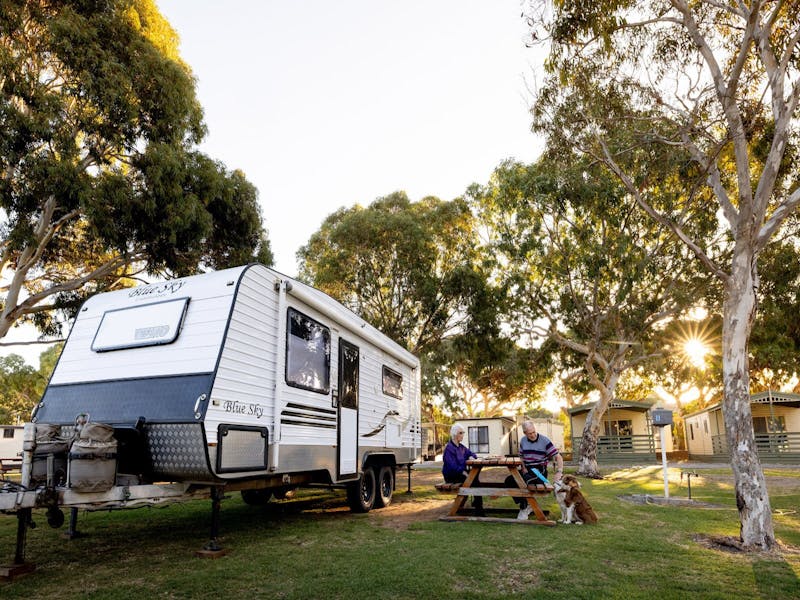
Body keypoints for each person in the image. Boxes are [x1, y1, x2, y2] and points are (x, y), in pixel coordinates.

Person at [516, 420, 563, 520]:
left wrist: (559, 471)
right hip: (527, 470)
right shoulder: (523, 441)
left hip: (540, 471)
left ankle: (524, 508)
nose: (533, 435)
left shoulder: (544, 440)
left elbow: (558, 457)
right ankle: (528, 505)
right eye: (530, 433)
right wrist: (523, 467)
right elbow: (521, 457)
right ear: (525, 433)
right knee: (510, 480)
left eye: (534, 432)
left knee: (524, 481)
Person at [442, 423, 484, 515]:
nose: (463, 435)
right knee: (474, 481)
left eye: (463, 432)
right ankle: (479, 509)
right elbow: (452, 466)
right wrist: (464, 472)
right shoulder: (449, 448)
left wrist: (471, 457)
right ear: (455, 434)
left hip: (461, 473)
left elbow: (472, 454)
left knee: (475, 478)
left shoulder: (461, 447)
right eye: (461, 433)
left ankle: (478, 506)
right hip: (452, 476)